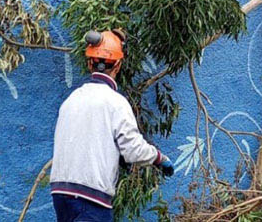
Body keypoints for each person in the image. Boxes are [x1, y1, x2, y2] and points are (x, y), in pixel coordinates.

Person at [50, 29, 175, 222]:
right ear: (118, 65)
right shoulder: (116, 103)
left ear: (89, 63)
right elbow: (133, 150)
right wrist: (159, 158)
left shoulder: (71, 100)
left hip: (61, 194)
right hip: (91, 197)